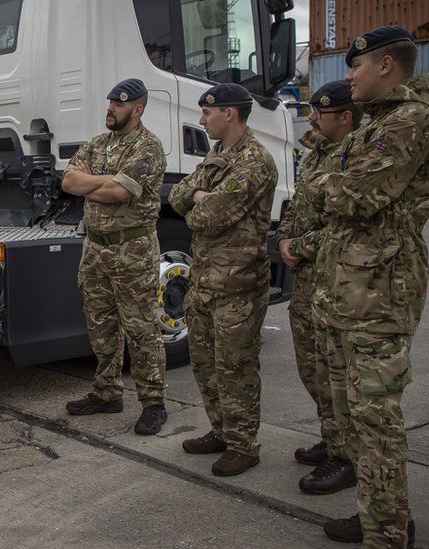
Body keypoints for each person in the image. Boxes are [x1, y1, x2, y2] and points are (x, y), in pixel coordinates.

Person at [311, 26, 429, 547]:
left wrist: (329, 181)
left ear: (385, 65)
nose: (350, 77)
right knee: (357, 417)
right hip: (355, 288)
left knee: (376, 419)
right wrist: (334, 180)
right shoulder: (382, 122)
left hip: (381, 290)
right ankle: (378, 514)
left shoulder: (410, 120)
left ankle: (388, 533)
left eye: (357, 67)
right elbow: (342, 184)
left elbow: (356, 194)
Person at [169, 83, 277, 477]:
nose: (201, 120)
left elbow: (206, 215)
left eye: (206, 113)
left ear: (229, 113)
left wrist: (199, 198)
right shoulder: (217, 156)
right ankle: (221, 430)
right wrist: (199, 196)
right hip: (205, 280)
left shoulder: (255, 161)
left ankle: (244, 445)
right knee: (204, 363)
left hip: (239, 285)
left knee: (236, 367)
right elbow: (177, 196)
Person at [62, 78, 169, 435]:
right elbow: (69, 183)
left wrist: (98, 184)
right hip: (94, 249)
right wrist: (104, 181)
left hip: (132, 251)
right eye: (109, 103)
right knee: (100, 324)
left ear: (137, 109)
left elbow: (116, 193)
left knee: (141, 328)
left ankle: (153, 402)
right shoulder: (96, 143)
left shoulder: (149, 148)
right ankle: (107, 392)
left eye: (119, 105)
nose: (110, 109)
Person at [277, 80, 363, 495]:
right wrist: (284, 240)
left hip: (336, 278)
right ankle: (333, 438)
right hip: (309, 280)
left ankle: (346, 457)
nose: (310, 118)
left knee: (337, 376)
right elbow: (297, 208)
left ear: (345, 117)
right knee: (313, 370)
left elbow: (344, 225)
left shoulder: (356, 155)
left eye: (319, 112)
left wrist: (301, 245)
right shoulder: (317, 155)